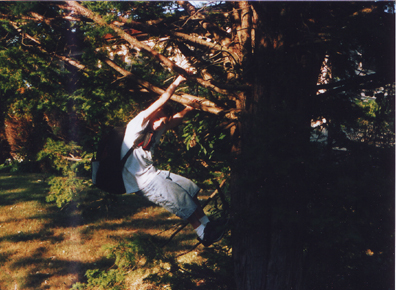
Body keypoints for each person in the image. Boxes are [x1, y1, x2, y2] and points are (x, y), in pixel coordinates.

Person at [121, 75, 224, 247]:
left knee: (189, 188)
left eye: (164, 121)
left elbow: (174, 121)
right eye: (159, 119)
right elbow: (163, 100)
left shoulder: (157, 127)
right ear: (153, 115)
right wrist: (178, 81)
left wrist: (189, 108)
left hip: (153, 173)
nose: (160, 124)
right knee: (181, 199)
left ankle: (207, 224)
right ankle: (202, 233)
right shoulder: (137, 125)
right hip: (143, 182)